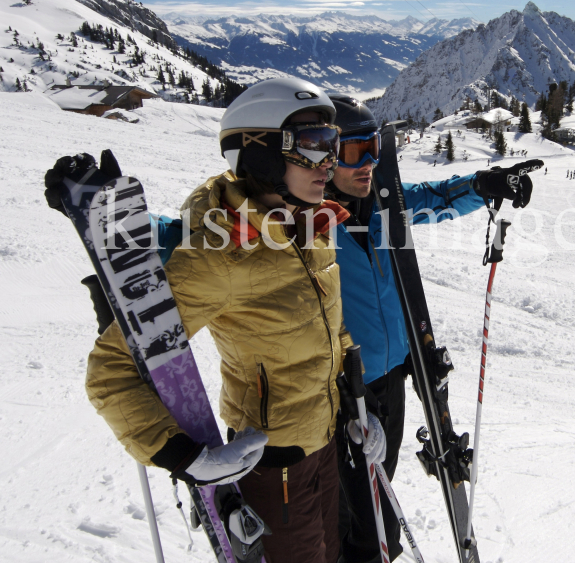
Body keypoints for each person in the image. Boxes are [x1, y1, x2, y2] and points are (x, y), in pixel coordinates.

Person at [65, 77, 374, 563]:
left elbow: (329, 327)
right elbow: (110, 373)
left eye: (332, 146)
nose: (329, 163)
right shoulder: (220, 256)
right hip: (272, 467)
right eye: (313, 146)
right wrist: (184, 458)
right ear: (263, 152)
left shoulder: (311, 226)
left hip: (327, 442)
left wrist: (356, 402)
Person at [325, 95, 540, 563]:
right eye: (352, 152)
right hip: (344, 393)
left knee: (377, 506)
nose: (368, 165)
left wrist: (485, 183)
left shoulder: (382, 208)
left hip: (394, 380)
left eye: (373, 150)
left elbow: (433, 199)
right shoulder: (307, 227)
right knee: (358, 525)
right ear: (324, 157)